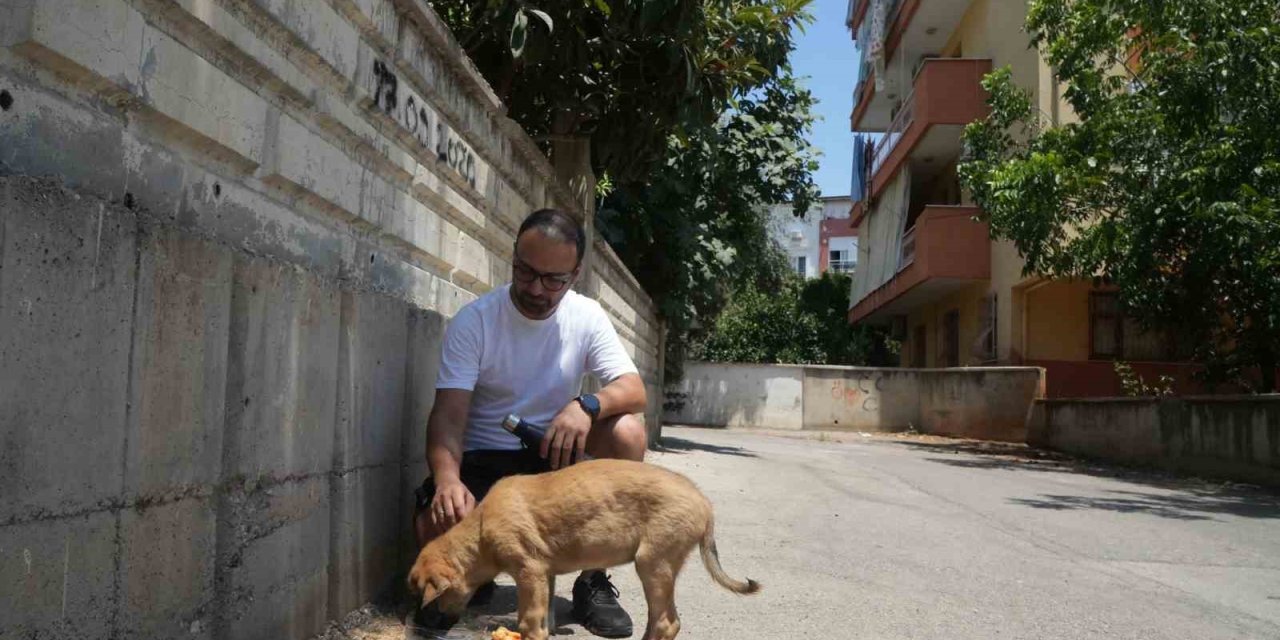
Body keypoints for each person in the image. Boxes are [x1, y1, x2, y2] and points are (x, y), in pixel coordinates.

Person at [411, 208, 649, 638]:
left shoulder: (586, 316)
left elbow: (634, 389)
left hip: (553, 465)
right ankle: (471, 579)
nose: (536, 289)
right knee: (432, 523)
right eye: (525, 272)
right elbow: (447, 414)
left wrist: (587, 405)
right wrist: (447, 480)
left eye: (553, 279)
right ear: (515, 259)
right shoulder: (476, 320)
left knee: (629, 430)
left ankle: (592, 580)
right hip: (486, 460)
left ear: (574, 275)